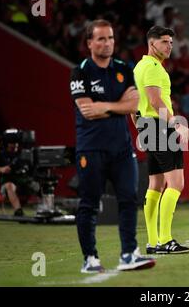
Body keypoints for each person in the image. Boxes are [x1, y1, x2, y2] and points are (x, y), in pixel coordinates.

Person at [70, 19, 155, 273]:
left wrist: (105, 106)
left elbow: (135, 105)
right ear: (89, 43)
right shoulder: (80, 71)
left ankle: (129, 254)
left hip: (121, 148)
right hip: (91, 149)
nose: (107, 43)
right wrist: (118, 104)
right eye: (101, 39)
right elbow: (87, 111)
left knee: (129, 199)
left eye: (110, 38)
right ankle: (90, 258)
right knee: (89, 204)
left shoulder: (123, 68)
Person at [133, 26, 189, 255]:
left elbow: (135, 102)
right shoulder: (154, 67)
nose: (170, 46)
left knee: (155, 184)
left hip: (146, 125)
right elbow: (156, 101)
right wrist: (176, 124)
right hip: (159, 126)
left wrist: (139, 126)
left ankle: (153, 241)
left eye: (171, 42)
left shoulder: (139, 67)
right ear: (152, 43)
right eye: (165, 42)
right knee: (176, 183)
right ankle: (165, 240)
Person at [0, 129, 38, 216]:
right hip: (8, 180)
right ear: (7, 143)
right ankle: (18, 211)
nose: (15, 145)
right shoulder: (2, 155)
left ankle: (45, 208)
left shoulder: (24, 153)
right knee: (9, 186)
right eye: (12, 143)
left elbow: (32, 168)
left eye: (16, 143)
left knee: (38, 185)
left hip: (23, 179)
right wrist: (2, 169)